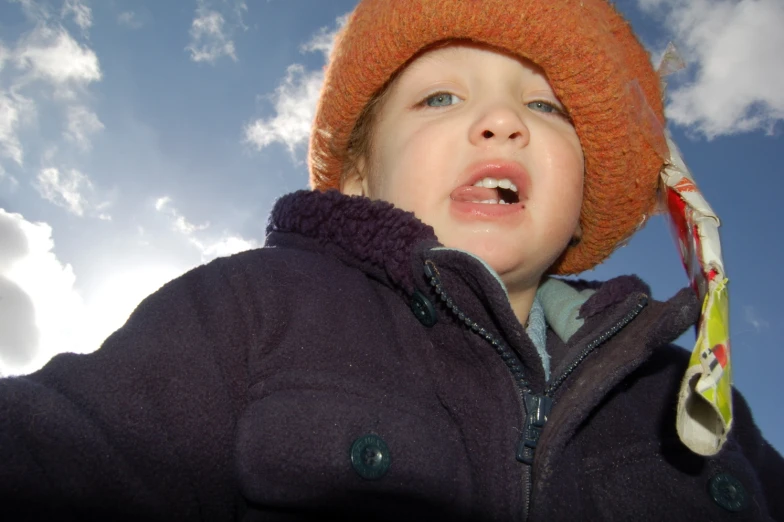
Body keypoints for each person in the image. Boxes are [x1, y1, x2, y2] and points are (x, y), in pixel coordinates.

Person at [2, 0, 782, 520]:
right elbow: (59, 448)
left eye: (546, 108)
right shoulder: (256, 308)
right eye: (442, 98)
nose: (503, 122)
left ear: (585, 191)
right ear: (360, 176)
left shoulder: (690, 405)